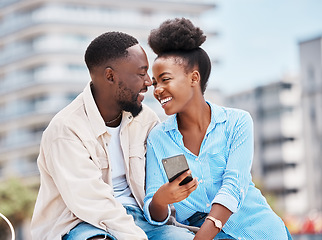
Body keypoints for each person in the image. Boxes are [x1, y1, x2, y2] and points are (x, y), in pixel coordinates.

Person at [31, 31, 195, 240]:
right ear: (110, 76)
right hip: (82, 223)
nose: (149, 82)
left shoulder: (146, 119)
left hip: (144, 219)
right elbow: (92, 203)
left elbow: (161, 187)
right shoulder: (66, 130)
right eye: (141, 73)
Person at [143, 18, 293, 240]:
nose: (157, 90)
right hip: (197, 231)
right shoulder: (158, 137)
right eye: (155, 83)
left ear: (194, 78)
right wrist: (161, 199)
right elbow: (155, 213)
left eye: (165, 80)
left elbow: (233, 187)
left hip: (259, 229)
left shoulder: (237, 122)